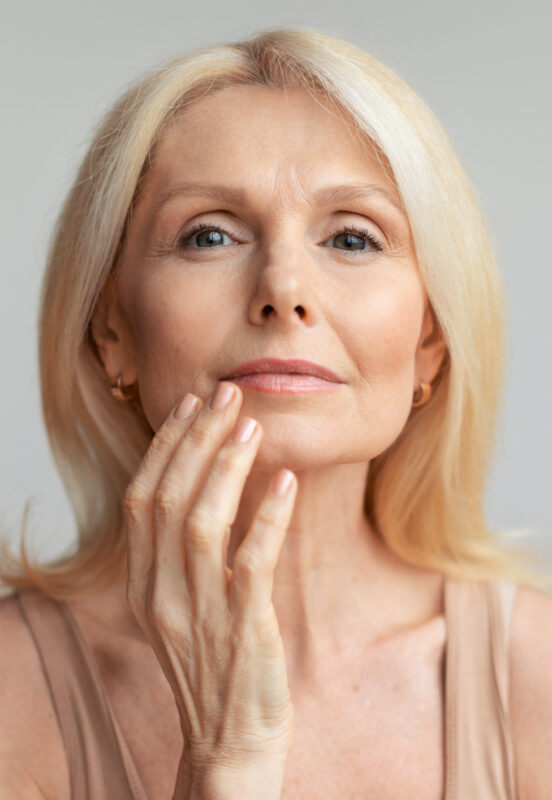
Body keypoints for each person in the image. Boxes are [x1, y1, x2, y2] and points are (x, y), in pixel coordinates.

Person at [0, 26, 551, 800]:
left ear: (430, 343)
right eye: (210, 234)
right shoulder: (10, 696)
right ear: (111, 331)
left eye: (354, 238)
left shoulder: (540, 676)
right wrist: (226, 762)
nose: (284, 288)